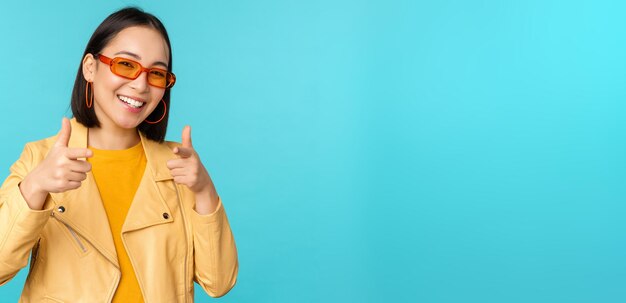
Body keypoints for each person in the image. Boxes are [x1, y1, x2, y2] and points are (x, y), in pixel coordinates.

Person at [0, 7, 238, 302]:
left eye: (156, 73)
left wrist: (204, 190)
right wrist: (35, 187)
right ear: (90, 67)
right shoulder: (40, 158)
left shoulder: (179, 167)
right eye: (126, 64)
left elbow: (220, 282)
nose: (140, 85)